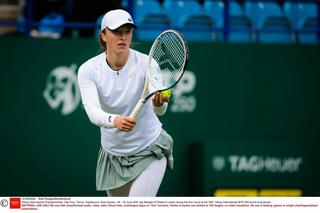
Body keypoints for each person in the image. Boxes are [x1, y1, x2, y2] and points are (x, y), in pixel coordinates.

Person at [77, 9, 173, 197]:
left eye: (127, 31)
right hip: (112, 155)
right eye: (117, 32)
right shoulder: (88, 70)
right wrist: (115, 121)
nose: (123, 37)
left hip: (149, 149)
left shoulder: (148, 64)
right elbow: (92, 111)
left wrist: (158, 104)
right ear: (103, 36)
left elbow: (160, 111)